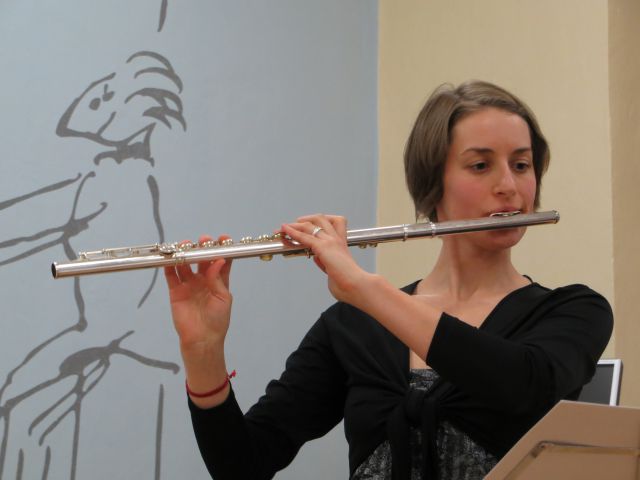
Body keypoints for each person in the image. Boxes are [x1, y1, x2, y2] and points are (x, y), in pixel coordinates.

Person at [164, 80, 613, 480]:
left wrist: (364, 289)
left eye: (521, 164)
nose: (509, 186)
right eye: (481, 165)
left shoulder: (573, 312)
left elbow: (522, 385)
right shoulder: (351, 327)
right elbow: (244, 464)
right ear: (432, 183)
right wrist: (203, 354)